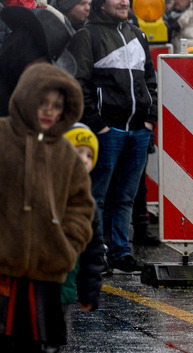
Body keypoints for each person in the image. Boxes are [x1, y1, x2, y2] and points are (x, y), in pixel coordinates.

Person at [67, 0, 159, 276]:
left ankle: (121, 252)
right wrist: (99, 124)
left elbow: (150, 81)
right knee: (99, 195)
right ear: (102, 2)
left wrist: (149, 119)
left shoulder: (137, 35)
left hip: (138, 129)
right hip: (109, 130)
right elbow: (79, 83)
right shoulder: (87, 36)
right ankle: (96, 253)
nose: (124, 2)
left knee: (126, 197)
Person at [0, 64, 94, 352]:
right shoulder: (3, 137)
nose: (49, 111)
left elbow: (81, 206)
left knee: (42, 344)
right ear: (27, 97)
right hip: (3, 271)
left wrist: (67, 243)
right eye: (43, 103)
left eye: (57, 106)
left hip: (46, 273)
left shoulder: (65, 152)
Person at [61, 125, 105, 317]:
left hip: (65, 290)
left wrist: (89, 292)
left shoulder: (88, 204)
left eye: (89, 155)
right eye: (78, 153)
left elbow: (92, 251)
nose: (84, 160)